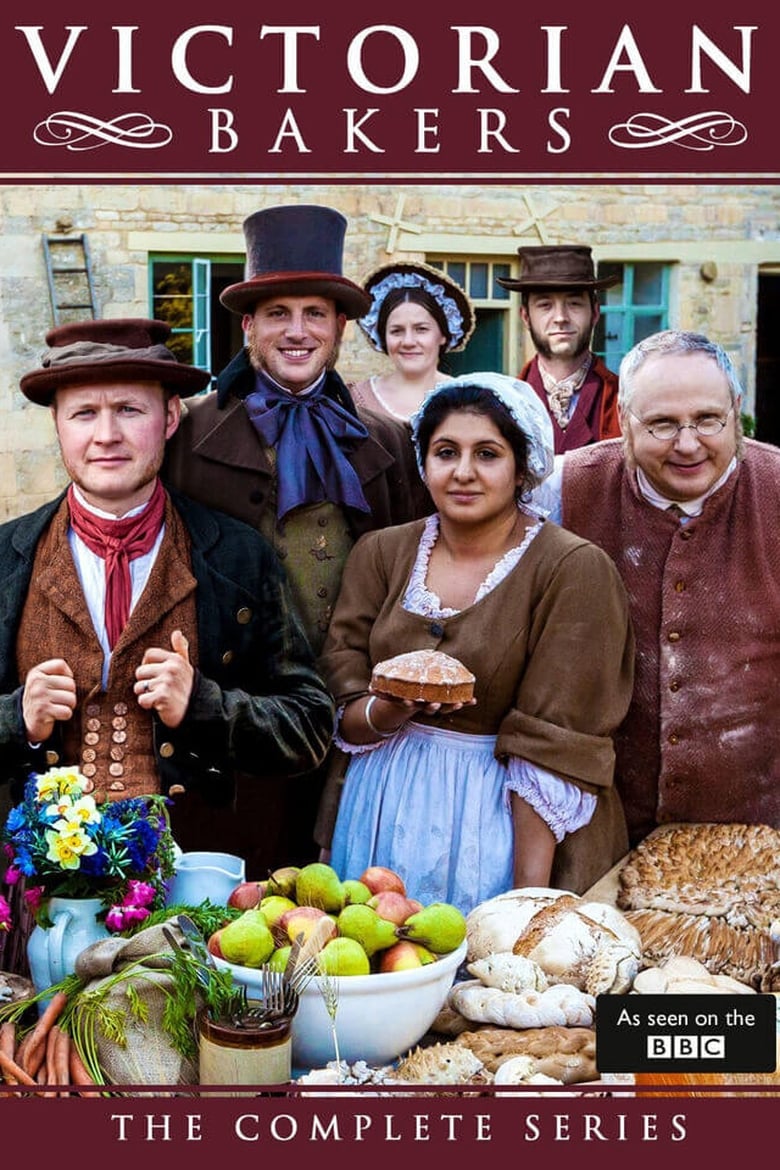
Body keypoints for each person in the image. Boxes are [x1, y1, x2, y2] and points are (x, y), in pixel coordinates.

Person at [0, 318, 335, 885]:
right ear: (57, 424)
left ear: (170, 418)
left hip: (194, 886)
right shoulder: (7, 560)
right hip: (37, 896)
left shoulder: (236, 556)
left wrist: (205, 705)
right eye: (84, 413)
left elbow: (309, 727)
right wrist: (16, 718)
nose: (106, 434)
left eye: (130, 410)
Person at [163, 203, 430, 866]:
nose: (297, 331)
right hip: (233, 727)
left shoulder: (391, 443)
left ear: (341, 326)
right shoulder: (188, 437)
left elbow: (413, 577)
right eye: (278, 314)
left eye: (315, 313)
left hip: (355, 725)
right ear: (248, 324)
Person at [318, 372, 635, 914]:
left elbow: (555, 743)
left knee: (483, 983)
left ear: (523, 467)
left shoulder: (570, 568)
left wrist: (523, 906)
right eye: (446, 452)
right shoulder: (382, 553)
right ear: (424, 464)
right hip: (380, 800)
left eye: (487, 454)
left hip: (504, 821)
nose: (463, 472)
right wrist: (384, 712)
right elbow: (340, 673)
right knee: (374, 958)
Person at [533, 329, 780, 847]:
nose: (688, 444)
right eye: (663, 424)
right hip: (601, 829)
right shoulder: (560, 491)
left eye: (709, 419)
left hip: (759, 836)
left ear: (736, 409)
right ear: (624, 421)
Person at [497, 245, 622, 454]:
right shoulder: (503, 405)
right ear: (525, 316)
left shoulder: (625, 401)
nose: (560, 318)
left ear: (595, 313)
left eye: (574, 303)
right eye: (545, 305)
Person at [350, 261, 475, 423]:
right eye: (396, 331)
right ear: (382, 337)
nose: (408, 341)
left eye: (421, 329)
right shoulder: (356, 399)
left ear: (444, 334)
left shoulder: (469, 399)